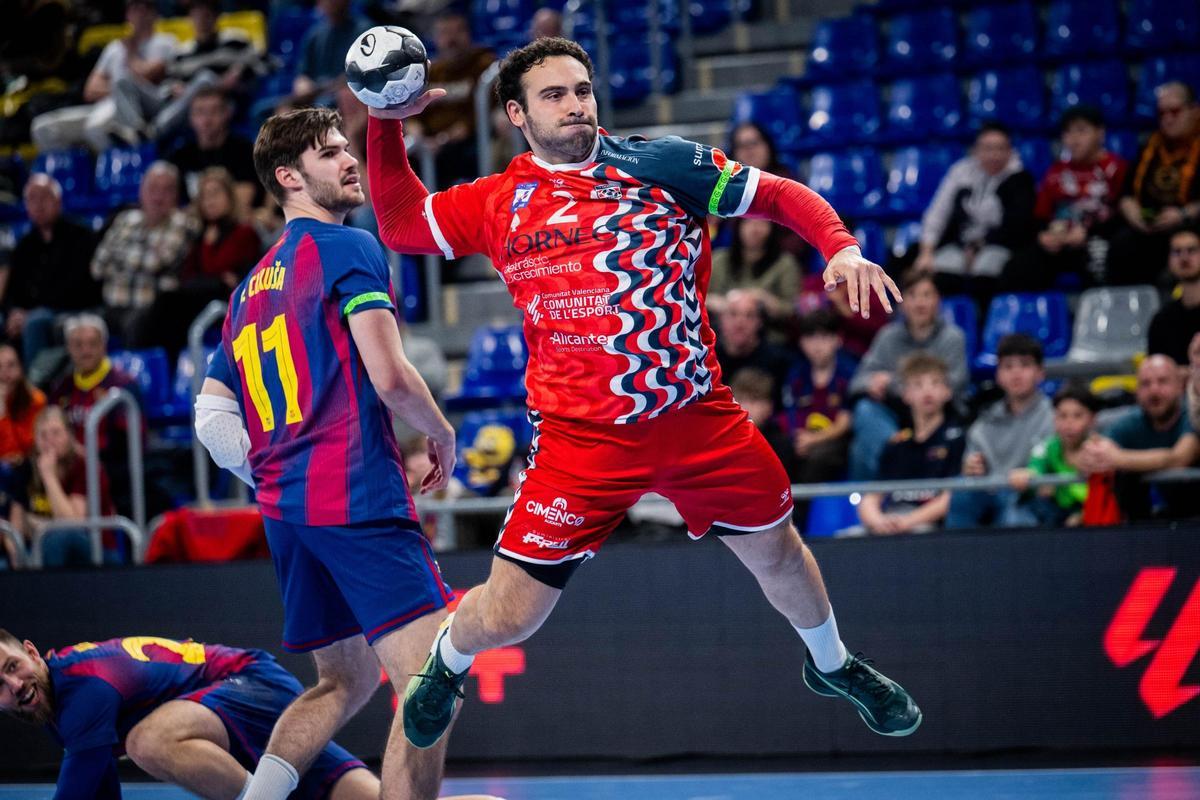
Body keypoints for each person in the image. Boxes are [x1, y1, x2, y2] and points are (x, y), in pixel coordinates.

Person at [365, 36, 919, 749]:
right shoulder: (497, 202)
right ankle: (447, 660)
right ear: (516, 115)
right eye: (555, 95)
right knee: (510, 614)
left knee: (779, 553)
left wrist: (839, 245)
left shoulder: (662, 164)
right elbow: (403, 224)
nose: (575, 106)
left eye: (582, 90)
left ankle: (833, 664)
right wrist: (384, 121)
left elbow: (778, 196)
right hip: (578, 440)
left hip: (696, 419)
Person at [194, 107, 460, 800]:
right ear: (289, 177)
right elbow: (392, 376)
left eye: (347, 147)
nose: (349, 159)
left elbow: (208, 414)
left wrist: (270, 468)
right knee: (430, 685)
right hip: (355, 494)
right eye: (329, 152)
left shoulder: (248, 289)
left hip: (287, 510)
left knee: (342, 682)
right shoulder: (347, 246)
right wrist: (442, 431)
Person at [0, 631, 498, 800]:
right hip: (213, 719)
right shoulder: (63, 701)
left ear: (32, 652)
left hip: (246, 690)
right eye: (0, 687)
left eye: (12, 667)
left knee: (147, 742)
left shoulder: (80, 694)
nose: (15, 685)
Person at [847, 271, 967, 480]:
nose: (920, 303)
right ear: (902, 302)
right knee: (865, 413)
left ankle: (901, 476)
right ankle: (894, 474)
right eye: (912, 295)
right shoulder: (888, 336)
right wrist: (871, 384)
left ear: (938, 300)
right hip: (896, 415)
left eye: (926, 295)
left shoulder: (953, 338)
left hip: (940, 413)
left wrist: (893, 383)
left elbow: (955, 385)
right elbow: (858, 382)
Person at [144, 166, 262, 360]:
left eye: (216, 194)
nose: (210, 201)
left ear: (230, 197)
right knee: (165, 303)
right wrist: (215, 276)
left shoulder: (244, 233)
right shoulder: (198, 235)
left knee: (168, 303)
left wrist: (208, 250)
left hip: (230, 303)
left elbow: (219, 269)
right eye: (205, 196)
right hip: (200, 298)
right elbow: (188, 276)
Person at [29, 0, 177, 151]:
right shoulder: (115, 47)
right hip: (103, 105)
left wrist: (131, 54)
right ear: (127, 14)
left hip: (136, 109)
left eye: (144, 7)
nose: (138, 12)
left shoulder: (165, 42)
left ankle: (127, 167)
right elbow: (90, 90)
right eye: (133, 7)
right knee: (43, 128)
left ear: (154, 13)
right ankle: (75, 172)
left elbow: (147, 77)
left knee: (95, 127)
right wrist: (118, 90)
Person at [912, 122, 1037, 299]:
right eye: (987, 148)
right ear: (976, 150)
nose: (994, 155)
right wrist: (926, 252)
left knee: (985, 270)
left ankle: (985, 322)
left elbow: (1017, 227)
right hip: (960, 245)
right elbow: (938, 213)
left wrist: (979, 247)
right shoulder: (960, 172)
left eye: (1000, 148)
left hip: (1001, 246)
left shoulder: (1020, 179)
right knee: (936, 271)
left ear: (1010, 151)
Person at [1006, 105, 1126, 290]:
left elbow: (1123, 214)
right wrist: (1043, 235)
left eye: (1082, 131)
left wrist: (1089, 233)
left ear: (1100, 133)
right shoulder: (1056, 171)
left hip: (1097, 238)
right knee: (1018, 266)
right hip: (1059, 243)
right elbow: (1040, 215)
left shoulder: (1116, 169)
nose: (1074, 140)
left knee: (1100, 256)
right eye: (1068, 133)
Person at [945, 334, 1053, 529]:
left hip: (1030, 497)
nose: (1016, 373)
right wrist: (971, 467)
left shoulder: (1054, 416)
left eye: (1025, 365)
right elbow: (972, 468)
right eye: (1008, 366)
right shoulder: (984, 422)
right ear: (998, 375)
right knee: (961, 493)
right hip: (992, 493)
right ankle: (956, 555)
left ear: (1040, 373)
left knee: (1015, 513)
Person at [854, 353, 965, 536]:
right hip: (892, 521)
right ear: (906, 395)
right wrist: (879, 521)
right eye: (918, 385)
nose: (927, 391)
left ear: (947, 392)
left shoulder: (956, 439)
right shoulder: (897, 445)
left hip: (929, 527)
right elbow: (871, 498)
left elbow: (951, 498)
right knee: (849, 536)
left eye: (935, 383)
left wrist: (908, 522)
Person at [1077, 354, 1200, 520]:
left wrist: (1117, 458)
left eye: (1162, 381)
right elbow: (1094, 449)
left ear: (1180, 385)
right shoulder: (1134, 420)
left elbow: (1180, 458)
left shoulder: (1193, 415)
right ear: (1136, 391)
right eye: (1145, 384)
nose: (1154, 390)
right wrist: (1091, 453)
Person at [90, 161, 199, 347]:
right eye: (153, 188)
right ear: (141, 190)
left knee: (136, 328)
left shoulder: (184, 223)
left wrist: (120, 258)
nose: (158, 196)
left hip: (147, 311)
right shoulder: (124, 219)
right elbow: (98, 267)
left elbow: (156, 263)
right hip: (111, 305)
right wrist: (142, 254)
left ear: (176, 195)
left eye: (167, 190)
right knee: (71, 329)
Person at [4, 174, 102, 369]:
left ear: (58, 201)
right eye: (32, 199)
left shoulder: (81, 236)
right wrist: (13, 313)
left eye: (44, 197)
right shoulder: (25, 245)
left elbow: (78, 287)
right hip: (33, 314)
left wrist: (29, 314)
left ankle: (35, 389)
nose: (38, 204)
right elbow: (12, 291)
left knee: (36, 322)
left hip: (74, 309)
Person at [1109, 82, 1200, 286]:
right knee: (1121, 244)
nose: (1167, 119)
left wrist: (1184, 214)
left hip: (1191, 224)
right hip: (1150, 227)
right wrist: (1135, 216)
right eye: (1162, 113)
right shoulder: (1150, 146)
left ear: (1194, 110)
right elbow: (1126, 194)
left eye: (1175, 111)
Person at [8, 405, 117, 567]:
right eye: (43, 435)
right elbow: (14, 527)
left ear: (69, 435)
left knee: (60, 538)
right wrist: (18, 567)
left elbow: (73, 523)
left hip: (97, 551)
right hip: (41, 551)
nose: (49, 441)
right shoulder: (27, 467)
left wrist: (49, 476)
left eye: (56, 433)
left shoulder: (85, 465)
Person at [406, 12, 496, 189]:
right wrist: (418, 135)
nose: (451, 39)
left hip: (470, 141)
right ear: (436, 38)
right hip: (431, 144)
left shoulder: (484, 65)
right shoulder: (430, 71)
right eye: (445, 33)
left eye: (457, 32)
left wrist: (443, 140)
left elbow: (480, 116)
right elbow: (414, 115)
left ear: (469, 34)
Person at [779, 308, 855, 486]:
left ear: (838, 339)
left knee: (819, 457)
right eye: (810, 338)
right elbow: (789, 415)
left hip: (835, 440)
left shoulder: (848, 373)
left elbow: (844, 423)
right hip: (801, 438)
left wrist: (813, 440)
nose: (817, 346)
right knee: (779, 449)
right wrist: (798, 440)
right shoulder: (796, 374)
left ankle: (803, 511)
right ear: (802, 343)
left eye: (824, 337)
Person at [1010, 383, 1098, 527]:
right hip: (1057, 516)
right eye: (1062, 416)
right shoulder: (1046, 447)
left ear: (1093, 419)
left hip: (1091, 517)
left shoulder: (1101, 451)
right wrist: (1031, 477)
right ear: (1054, 418)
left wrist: (1081, 516)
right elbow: (1035, 467)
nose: (1069, 423)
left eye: (1078, 415)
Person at [168, 86, 260, 212]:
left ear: (226, 114)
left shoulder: (243, 150)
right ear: (191, 118)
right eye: (200, 112)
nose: (207, 120)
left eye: (214, 111)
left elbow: (242, 202)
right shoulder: (181, 155)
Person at [708, 217, 802, 323]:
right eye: (748, 221)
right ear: (737, 225)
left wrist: (764, 299)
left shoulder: (785, 264)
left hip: (769, 333)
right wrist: (722, 304)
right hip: (718, 332)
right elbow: (698, 297)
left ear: (773, 227)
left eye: (762, 222)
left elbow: (792, 309)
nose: (755, 229)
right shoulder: (718, 259)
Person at [713, 289, 794, 398]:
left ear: (759, 322)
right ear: (721, 319)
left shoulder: (779, 362)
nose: (739, 323)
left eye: (749, 316)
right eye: (733, 314)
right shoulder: (705, 359)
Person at [1147, 227, 1200, 365]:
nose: (1184, 257)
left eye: (1192, 250)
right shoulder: (1162, 321)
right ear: (1169, 261)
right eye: (1177, 252)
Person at [0, 343, 46, 465]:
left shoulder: (36, 400)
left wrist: (3, 415)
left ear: (21, 368)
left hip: (28, 467)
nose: (5, 373)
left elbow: (22, 450)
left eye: (11, 365)